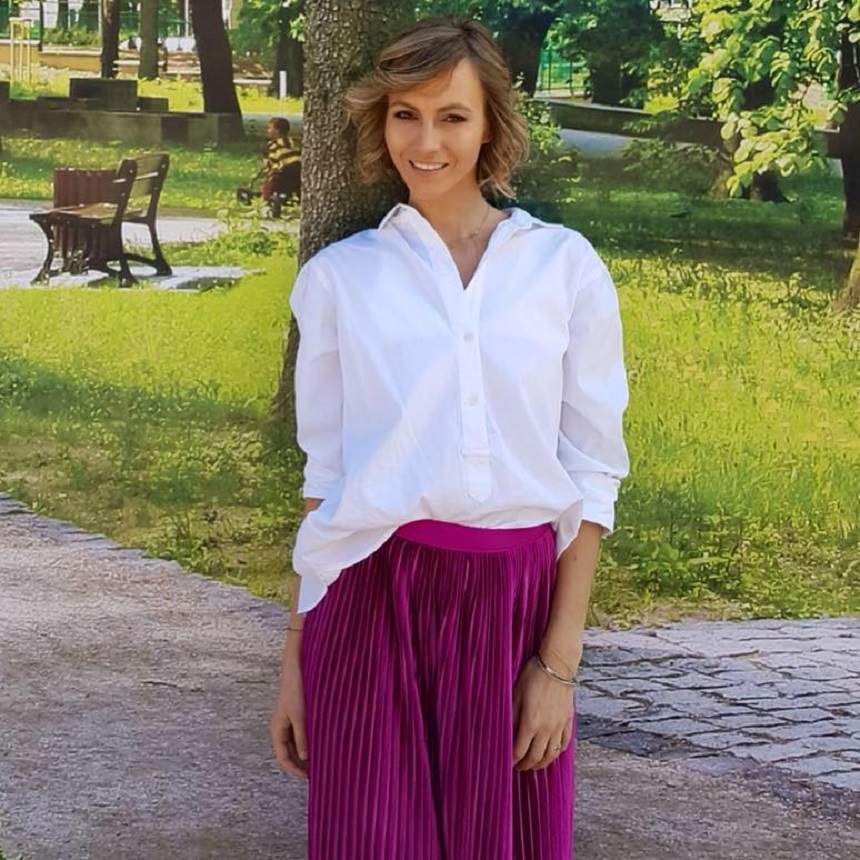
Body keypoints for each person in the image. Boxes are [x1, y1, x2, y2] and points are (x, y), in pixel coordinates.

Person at [270, 14, 630, 859]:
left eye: (452, 116)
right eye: (406, 114)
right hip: (368, 602)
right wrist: (294, 660)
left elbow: (592, 473)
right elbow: (326, 481)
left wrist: (558, 665)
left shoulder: (564, 268)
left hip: (514, 606)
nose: (425, 141)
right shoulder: (339, 280)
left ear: (492, 124)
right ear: (381, 121)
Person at [236, 116, 301, 217]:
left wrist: (258, 178)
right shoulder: (295, 142)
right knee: (294, 188)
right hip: (299, 171)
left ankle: (267, 205)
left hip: (283, 171)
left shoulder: (272, 145)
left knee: (269, 186)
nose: (267, 131)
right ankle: (292, 200)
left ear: (277, 131)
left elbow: (270, 165)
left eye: (270, 128)